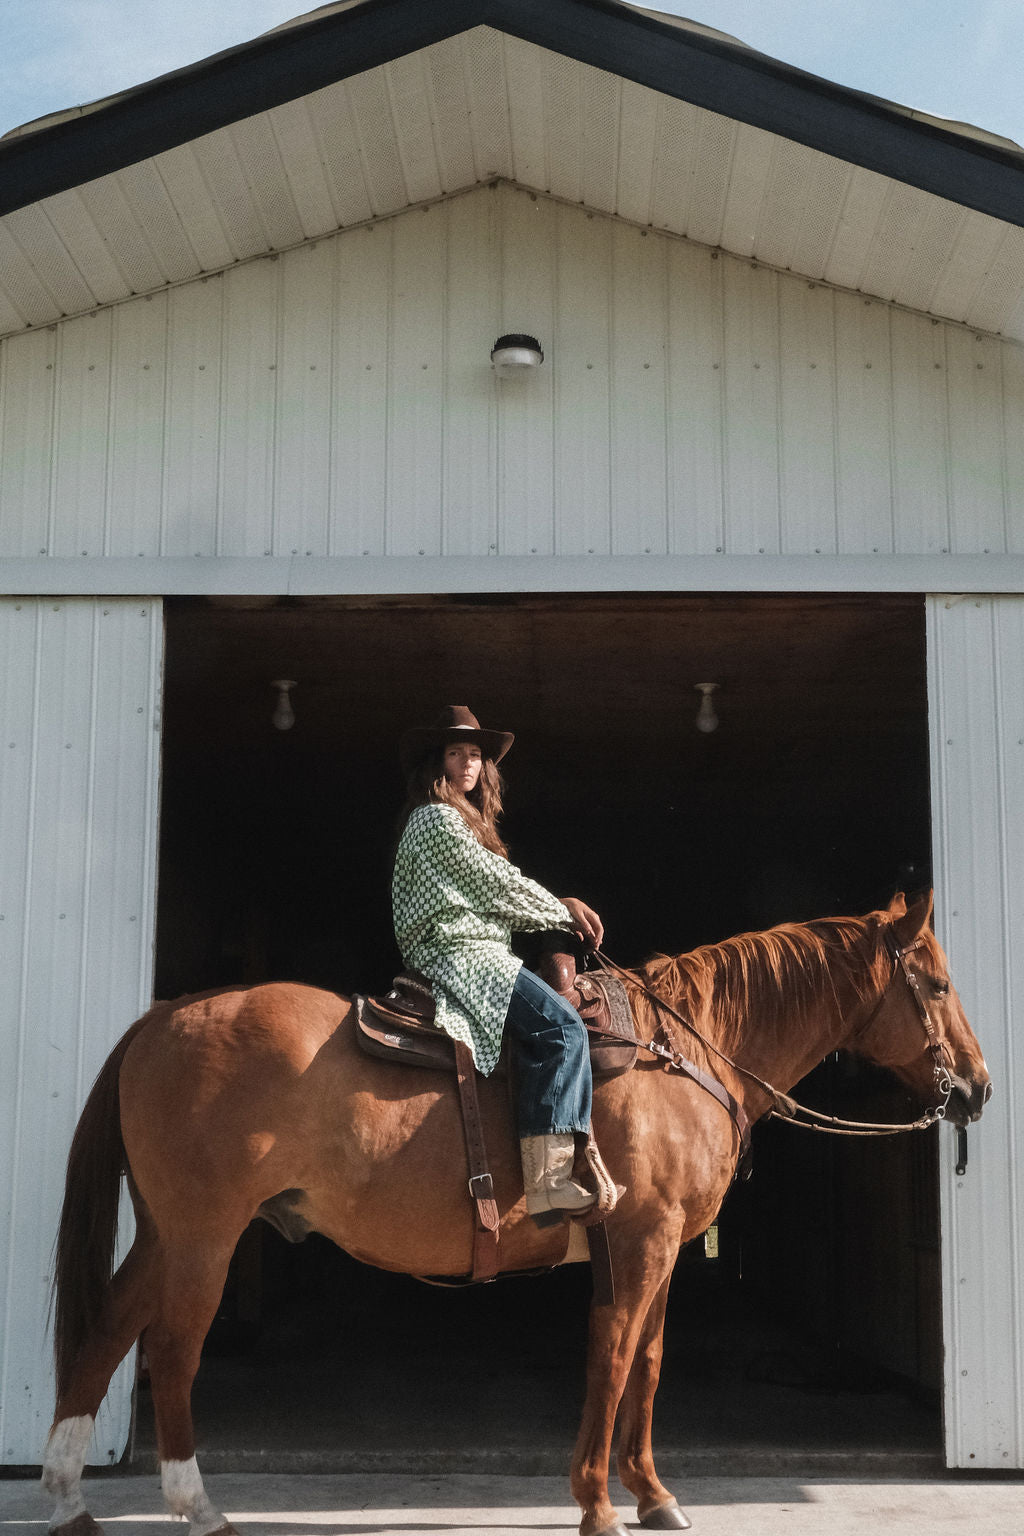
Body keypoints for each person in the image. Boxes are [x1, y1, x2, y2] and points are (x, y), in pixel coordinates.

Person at [392, 705, 607, 1219]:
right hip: (461, 954)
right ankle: (549, 1180)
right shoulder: (437, 819)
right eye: (455, 752)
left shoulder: (460, 822)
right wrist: (562, 909)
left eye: (474, 754)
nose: (467, 762)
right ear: (436, 763)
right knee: (563, 1029)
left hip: (470, 951)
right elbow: (496, 884)